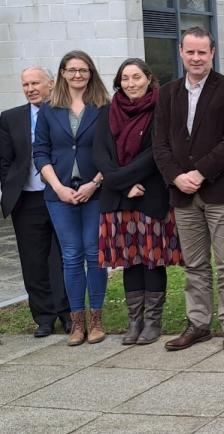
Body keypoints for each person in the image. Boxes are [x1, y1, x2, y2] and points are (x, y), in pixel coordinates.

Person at [153, 27, 224, 352]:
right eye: (190, 52)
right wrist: (177, 177)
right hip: (182, 193)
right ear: (181, 52)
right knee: (194, 264)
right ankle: (198, 324)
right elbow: (160, 143)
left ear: (212, 53)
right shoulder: (166, 94)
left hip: (220, 190)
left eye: (202, 52)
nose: (196, 58)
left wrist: (200, 172)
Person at [94, 58, 182, 346]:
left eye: (136, 77)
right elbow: (100, 155)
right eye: (125, 78)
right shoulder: (107, 112)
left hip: (150, 194)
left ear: (148, 78)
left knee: (151, 261)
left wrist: (123, 179)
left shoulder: (160, 109)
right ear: (119, 82)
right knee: (129, 261)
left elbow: (157, 152)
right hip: (119, 199)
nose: (131, 83)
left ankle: (153, 323)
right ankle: (134, 322)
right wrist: (122, 184)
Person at [33, 51, 110, 346]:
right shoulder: (49, 109)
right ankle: (77, 323)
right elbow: (40, 151)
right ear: (62, 73)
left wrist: (94, 182)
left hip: (95, 191)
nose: (78, 75)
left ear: (91, 73)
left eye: (84, 70)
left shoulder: (103, 106)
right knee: (71, 256)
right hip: (59, 194)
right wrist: (59, 187)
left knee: (95, 254)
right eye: (72, 70)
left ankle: (97, 320)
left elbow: (111, 151)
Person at [0, 67, 71, 337]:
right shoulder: (11, 118)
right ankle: (43, 316)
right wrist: (10, 188)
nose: (30, 88)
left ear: (50, 84)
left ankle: (66, 313)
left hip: (60, 195)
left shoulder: (64, 112)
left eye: (35, 83)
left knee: (63, 257)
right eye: (25, 84)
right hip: (26, 199)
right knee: (33, 260)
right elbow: (4, 161)